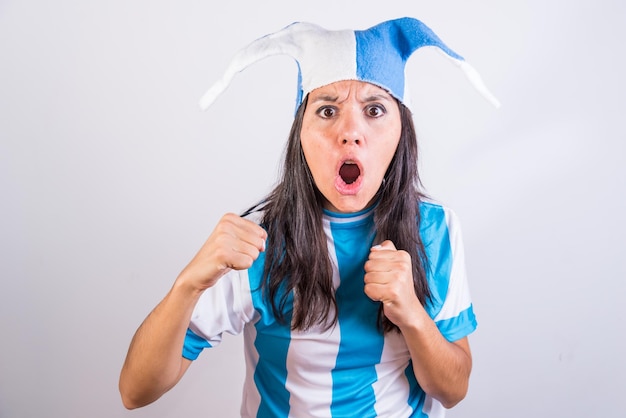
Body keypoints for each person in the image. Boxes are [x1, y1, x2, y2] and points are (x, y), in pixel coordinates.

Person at [119, 17, 499, 417]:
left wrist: (412, 315)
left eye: (374, 109)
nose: (350, 132)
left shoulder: (435, 231)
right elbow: (135, 391)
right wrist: (188, 285)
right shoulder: (254, 245)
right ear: (300, 134)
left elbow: (453, 390)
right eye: (327, 110)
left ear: (402, 132)